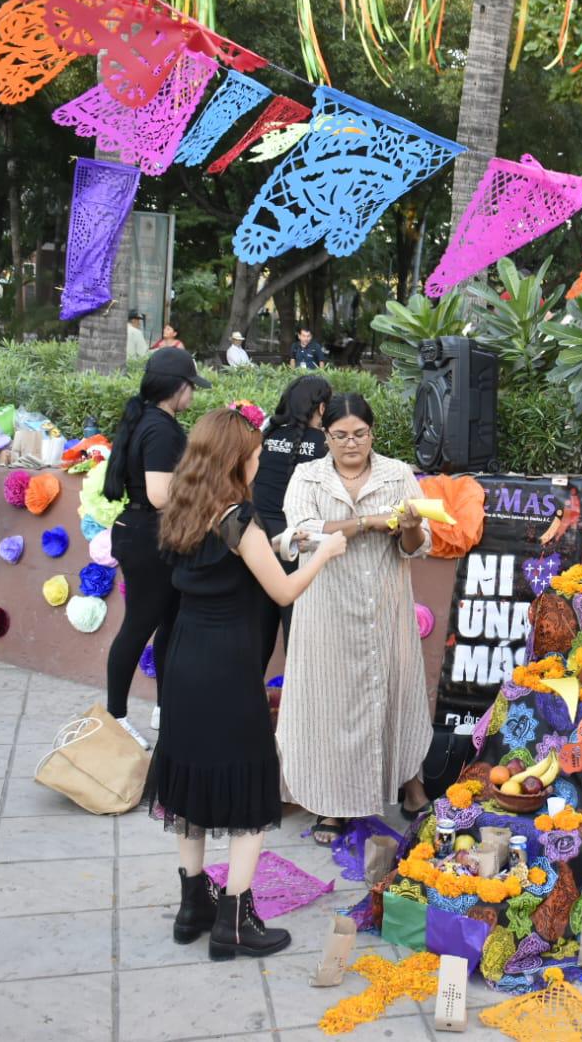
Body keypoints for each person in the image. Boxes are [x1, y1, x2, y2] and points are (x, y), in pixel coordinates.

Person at [140, 409, 347, 960]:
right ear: (237, 460)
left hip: (184, 656)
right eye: (255, 454)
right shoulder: (238, 518)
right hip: (228, 663)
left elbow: (223, 565)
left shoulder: (183, 510)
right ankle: (235, 918)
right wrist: (324, 553)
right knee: (248, 777)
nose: (260, 462)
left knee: (189, 773)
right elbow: (283, 592)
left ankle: (192, 905)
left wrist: (276, 545)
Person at [278, 393, 432, 845]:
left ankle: (411, 787)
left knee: (396, 692)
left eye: (360, 434)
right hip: (325, 607)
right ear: (325, 436)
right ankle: (330, 805)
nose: (351, 443)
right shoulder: (308, 476)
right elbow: (302, 533)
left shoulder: (397, 474)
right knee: (330, 703)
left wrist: (408, 525)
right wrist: (368, 522)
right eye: (340, 435)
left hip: (385, 605)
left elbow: (416, 546)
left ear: (372, 434)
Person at [103, 349, 210, 748]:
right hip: (149, 536)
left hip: (148, 533)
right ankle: (115, 716)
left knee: (170, 622)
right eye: (191, 387)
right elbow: (160, 494)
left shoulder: (149, 420)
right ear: (176, 387)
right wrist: (204, 492)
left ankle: (166, 708)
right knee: (139, 626)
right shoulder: (161, 429)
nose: (193, 395)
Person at [252, 375, 331, 669]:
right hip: (297, 543)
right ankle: (296, 695)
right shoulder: (325, 445)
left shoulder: (266, 436)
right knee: (296, 634)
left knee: (258, 632)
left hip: (259, 541)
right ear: (321, 408)